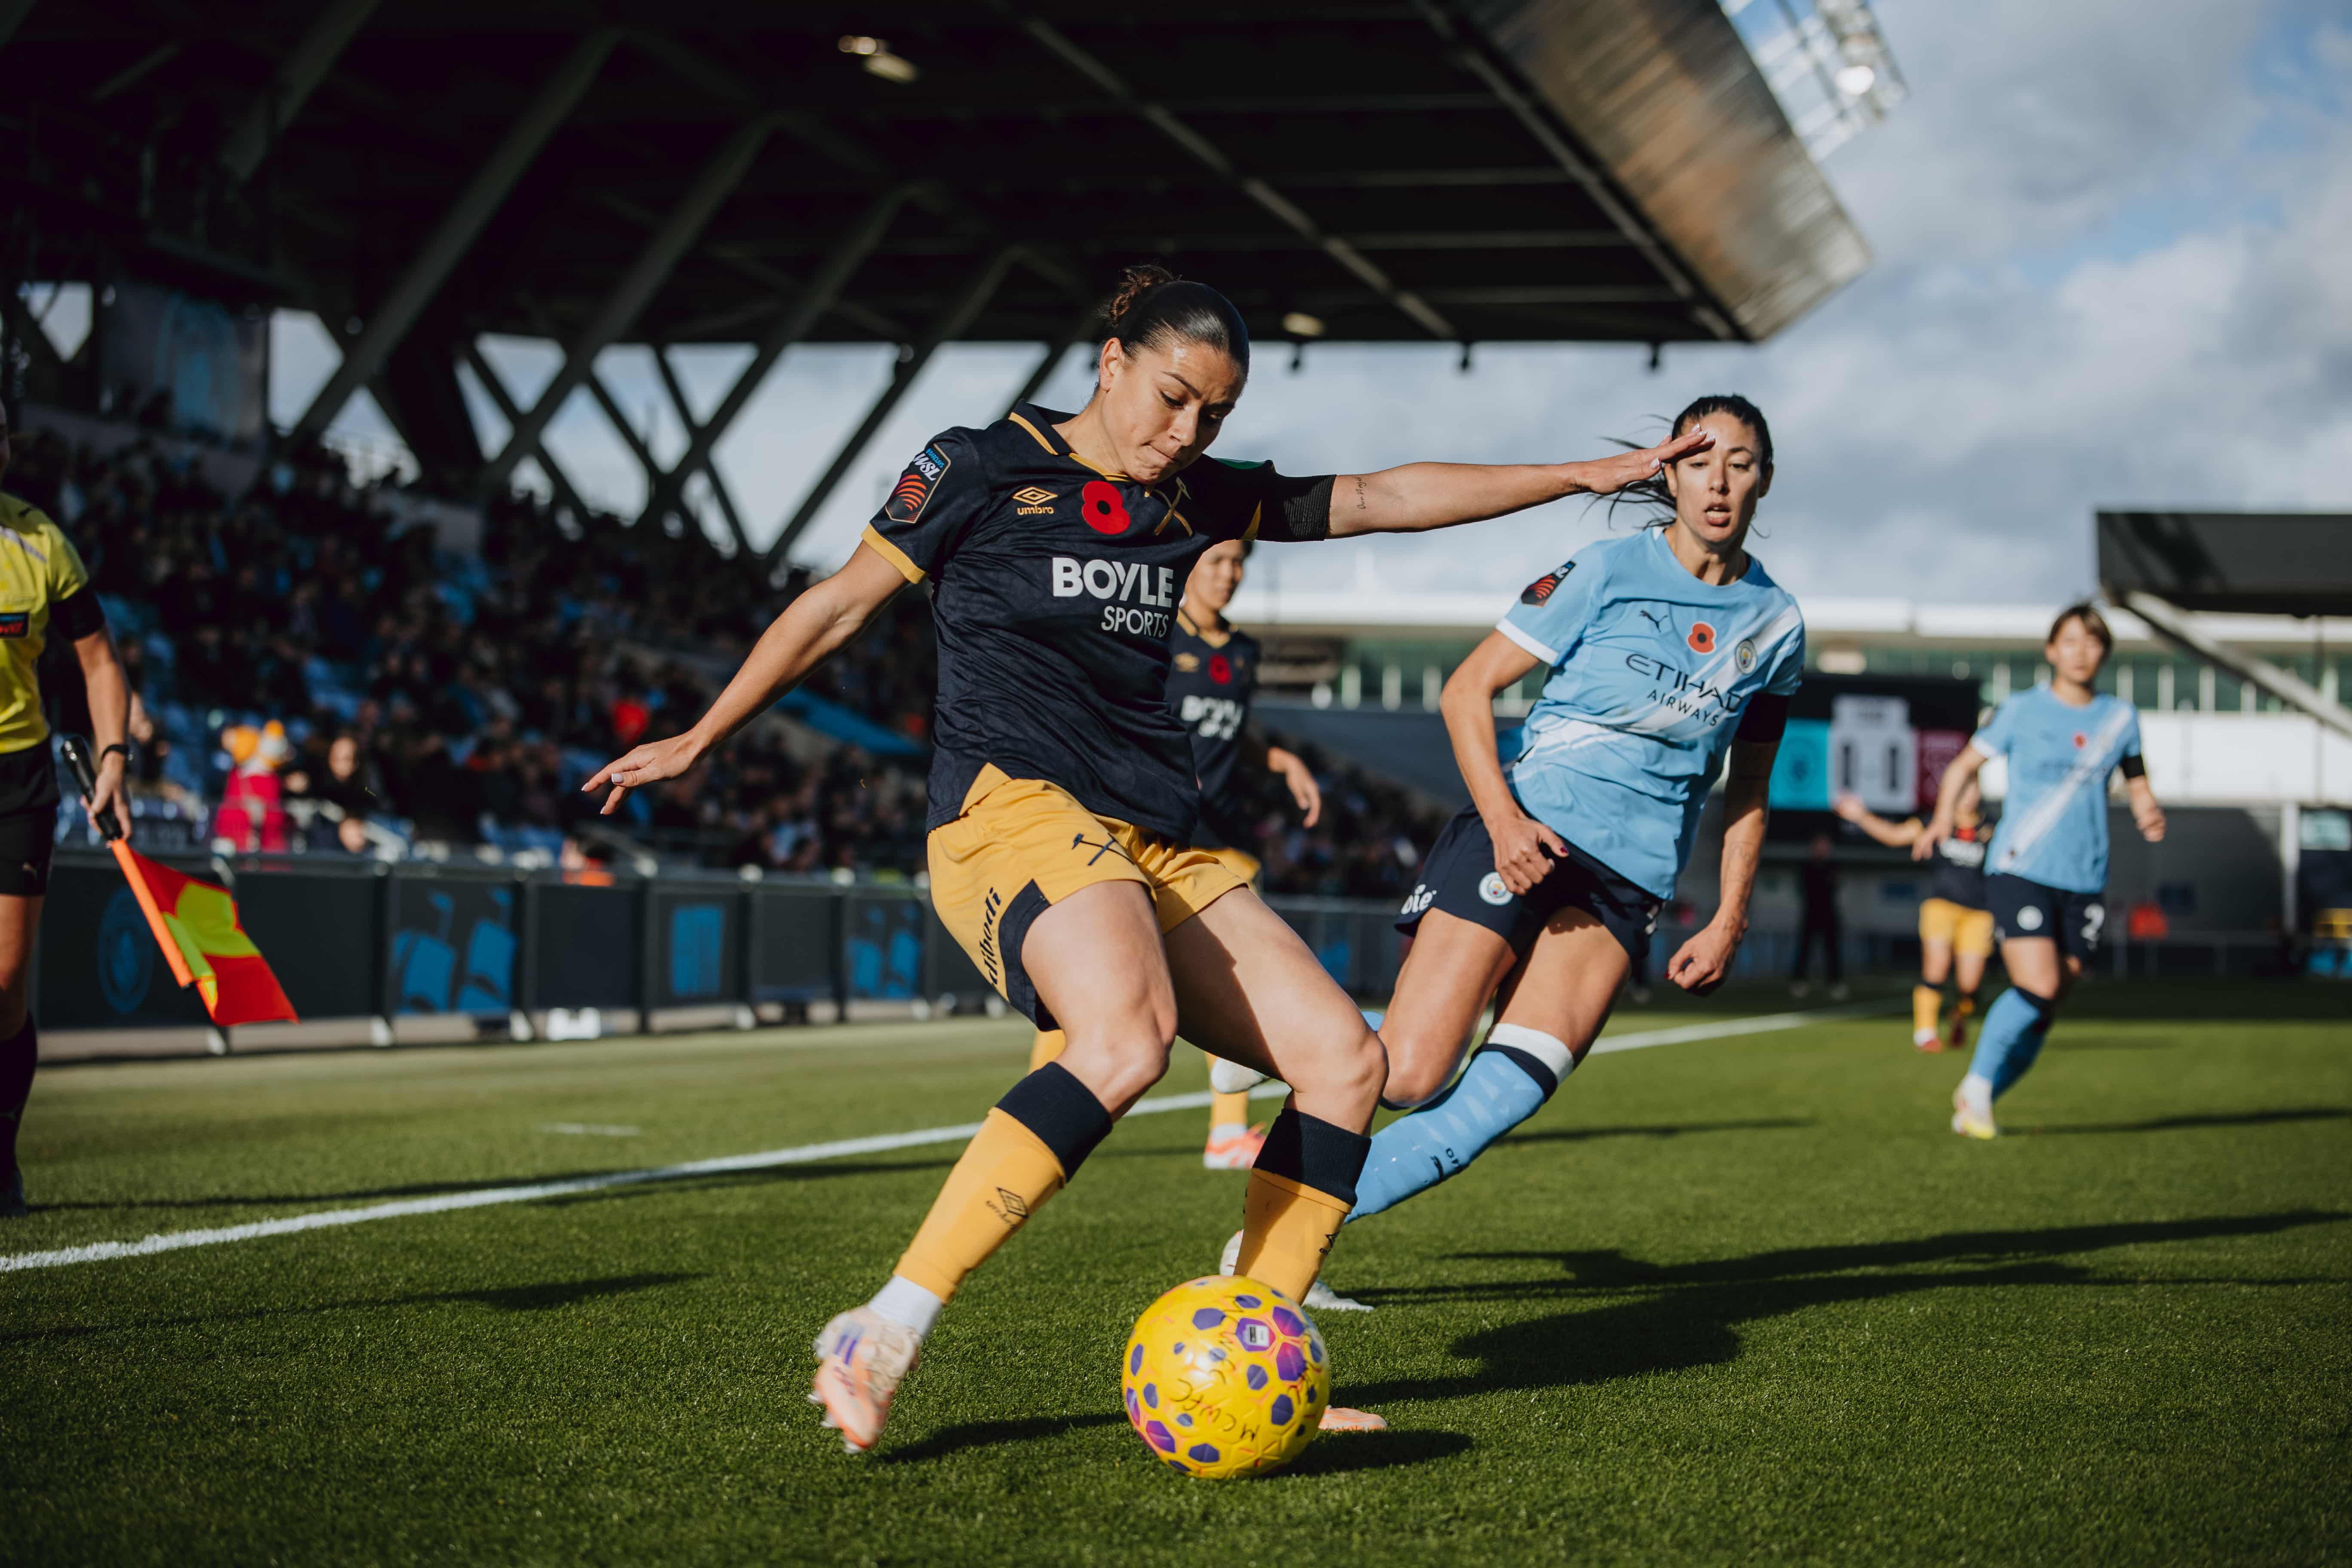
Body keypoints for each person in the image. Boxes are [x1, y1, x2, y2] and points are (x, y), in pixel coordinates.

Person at [583, 266, 1709, 1452]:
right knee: (1124, 1039)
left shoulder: (1198, 496)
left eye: (1213, 417)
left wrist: (1583, 477)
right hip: (1010, 811)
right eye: (1172, 399)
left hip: (1158, 837)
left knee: (1345, 1064)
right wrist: (706, 734)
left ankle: (1255, 1345)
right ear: (1111, 361)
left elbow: (1378, 497)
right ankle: (886, 1327)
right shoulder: (977, 466)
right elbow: (838, 604)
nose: (1186, 434)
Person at [1263, 394, 1802, 1254]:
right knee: (1407, 1072)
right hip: (1527, 833)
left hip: (1628, 885)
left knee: (1491, 1106)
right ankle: (1260, 1030)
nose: (1720, 481)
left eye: (1740, 463)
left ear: (1764, 480)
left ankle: (1282, 1246)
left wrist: (1732, 916)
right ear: (1669, 471)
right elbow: (1464, 690)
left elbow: (1752, 787)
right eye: (1700, 459)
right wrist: (1506, 823)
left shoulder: (1779, 627)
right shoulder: (1604, 568)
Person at [1024, 536, 1325, 1173]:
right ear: (1187, 572)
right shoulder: (1152, 635)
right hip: (1143, 831)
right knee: (1083, 980)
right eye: (1216, 562)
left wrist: (1282, 759)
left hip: (1221, 841)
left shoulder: (1242, 652)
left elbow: (1233, 736)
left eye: (1238, 563)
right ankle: (1039, 1116)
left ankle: (1226, 1134)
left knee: (1241, 978)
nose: (1230, 574)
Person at [1917, 604, 2164, 1139]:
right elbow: (1964, 766)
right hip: (2019, 867)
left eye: (2092, 642)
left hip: (2086, 877)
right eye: (2070, 641)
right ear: (2052, 650)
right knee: (2039, 982)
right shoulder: (2022, 710)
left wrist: (2148, 809)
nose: (2081, 652)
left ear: (2104, 652)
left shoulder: (2120, 718)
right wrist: (1940, 818)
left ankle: (1979, 1097)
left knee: (2048, 1004)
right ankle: (1978, 1088)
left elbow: (2137, 778)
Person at [0, 403, 135, 1217]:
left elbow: (100, 660)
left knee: (6, 985)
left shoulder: (39, 540)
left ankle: (1, 1155)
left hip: (17, 778)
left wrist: (113, 754)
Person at [1835, 776, 1996, 1051]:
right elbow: (1895, 835)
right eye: (1963, 787)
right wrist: (1861, 816)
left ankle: (1959, 1016)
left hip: (1979, 914)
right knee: (1936, 969)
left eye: (1973, 787)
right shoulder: (1936, 822)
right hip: (1941, 908)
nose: (1968, 794)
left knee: (1970, 985)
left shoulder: (1991, 829)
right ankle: (1926, 1033)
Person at [1787, 830, 1847, 999]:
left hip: (1829, 914)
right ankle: (1799, 981)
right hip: (1811, 914)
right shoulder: (1807, 867)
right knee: (1805, 948)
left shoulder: (1834, 866)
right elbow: (1805, 889)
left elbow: (1836, 884)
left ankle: (1835, 982)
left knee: (1832, 950)